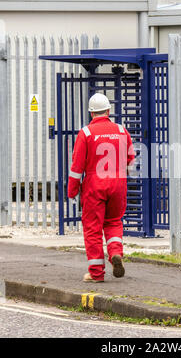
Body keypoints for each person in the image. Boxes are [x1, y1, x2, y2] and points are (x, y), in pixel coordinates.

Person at [67, 93, 135, 283]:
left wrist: (72, 191)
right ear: (108, 110)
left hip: (94, 186)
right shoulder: (122, 131)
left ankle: (96, 273)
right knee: (113, 222)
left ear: (91, 113)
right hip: (118, 184)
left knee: (93, 229)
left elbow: (76, 167)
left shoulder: (86, 133)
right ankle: (116, 254)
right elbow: (131, 160)